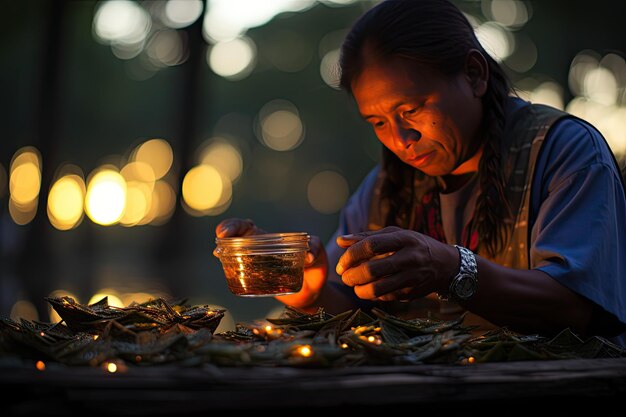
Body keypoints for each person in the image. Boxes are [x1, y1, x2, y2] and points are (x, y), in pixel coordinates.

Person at [215, 0, 626, 347]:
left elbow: (576, 308)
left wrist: (452, 268)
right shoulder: (385, 189)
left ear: (474, 74)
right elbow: (357, 316)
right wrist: (312, 292)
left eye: (410, 110)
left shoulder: (563, 152)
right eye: (377, 122)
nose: (400, 139)